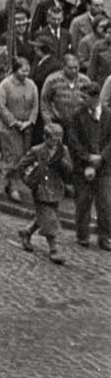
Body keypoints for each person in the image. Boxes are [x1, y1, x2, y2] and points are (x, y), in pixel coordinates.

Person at [15, 123, 74, 264]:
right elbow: (21, 166)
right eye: (53, 139)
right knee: (50, 220)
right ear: (46, 138)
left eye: (59, 138)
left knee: (46, 216)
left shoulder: (63, 150)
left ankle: (27, 232)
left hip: (55, 189)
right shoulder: (37, 151)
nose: (56, 142)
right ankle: (54, 250)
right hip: (41, 190)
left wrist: (63, 163)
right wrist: (28, 182)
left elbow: (69, 170)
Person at [69, 80, 111, 250]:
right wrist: (87, 158)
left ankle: (106, 237)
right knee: (83, 201)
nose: (81, 100)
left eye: (84, 97)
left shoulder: (109, 115)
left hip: (104, 167)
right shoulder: (76, 115)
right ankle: (82, 235)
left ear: (95, 99)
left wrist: (102, 157)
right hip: (82, 166)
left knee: (105, 203)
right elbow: (73, 141)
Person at [0, 57, 40, 202]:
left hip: (26, 128)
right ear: (15, 70)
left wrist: (30, 122)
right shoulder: (5, 85)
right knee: (13, 156)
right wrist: (14, 122)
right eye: (22, 71)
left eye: (28, 71)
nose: (26, 74)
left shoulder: (31, 85)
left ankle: (13, 181)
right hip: (9, 128)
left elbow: (35, 105)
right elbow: (1, 107)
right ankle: (12, 186)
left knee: (23, 156)